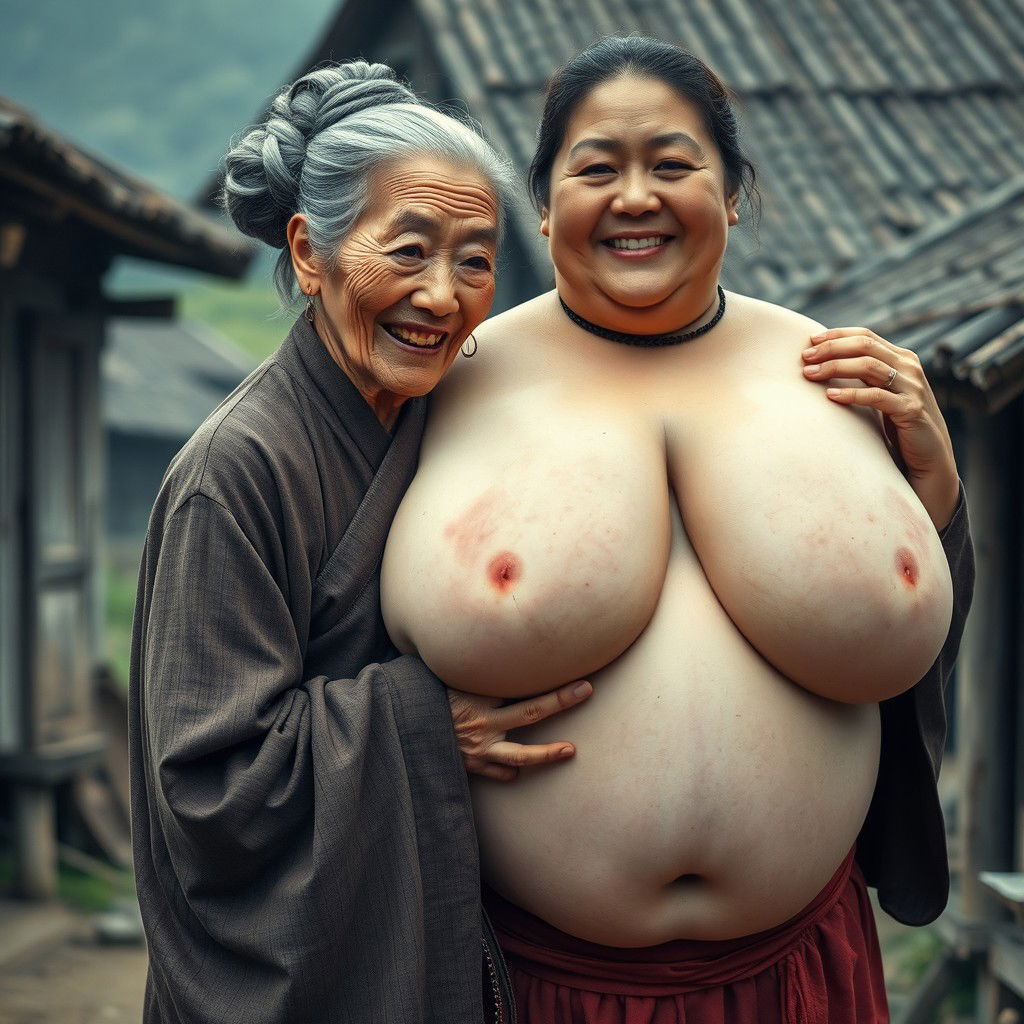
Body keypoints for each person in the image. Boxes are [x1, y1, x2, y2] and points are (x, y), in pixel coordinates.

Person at [381, 37, 974, 1023]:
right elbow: (308, 624)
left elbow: (920, 637)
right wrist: (396, 726)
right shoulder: (443, 379)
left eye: (672, 163)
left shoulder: (844, 377)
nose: (634, 197)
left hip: (805, 975)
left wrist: (937, 488)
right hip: (529, 984)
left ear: (733, 192)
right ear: (540, 201)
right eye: (595, 168)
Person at [128, 61, 596, 1024]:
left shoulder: (448, 417)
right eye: (410, 249)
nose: (441, 295)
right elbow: (213, 785)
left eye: (475, 260)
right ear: (311, 252)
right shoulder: (234, 473)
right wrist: (425, 724)